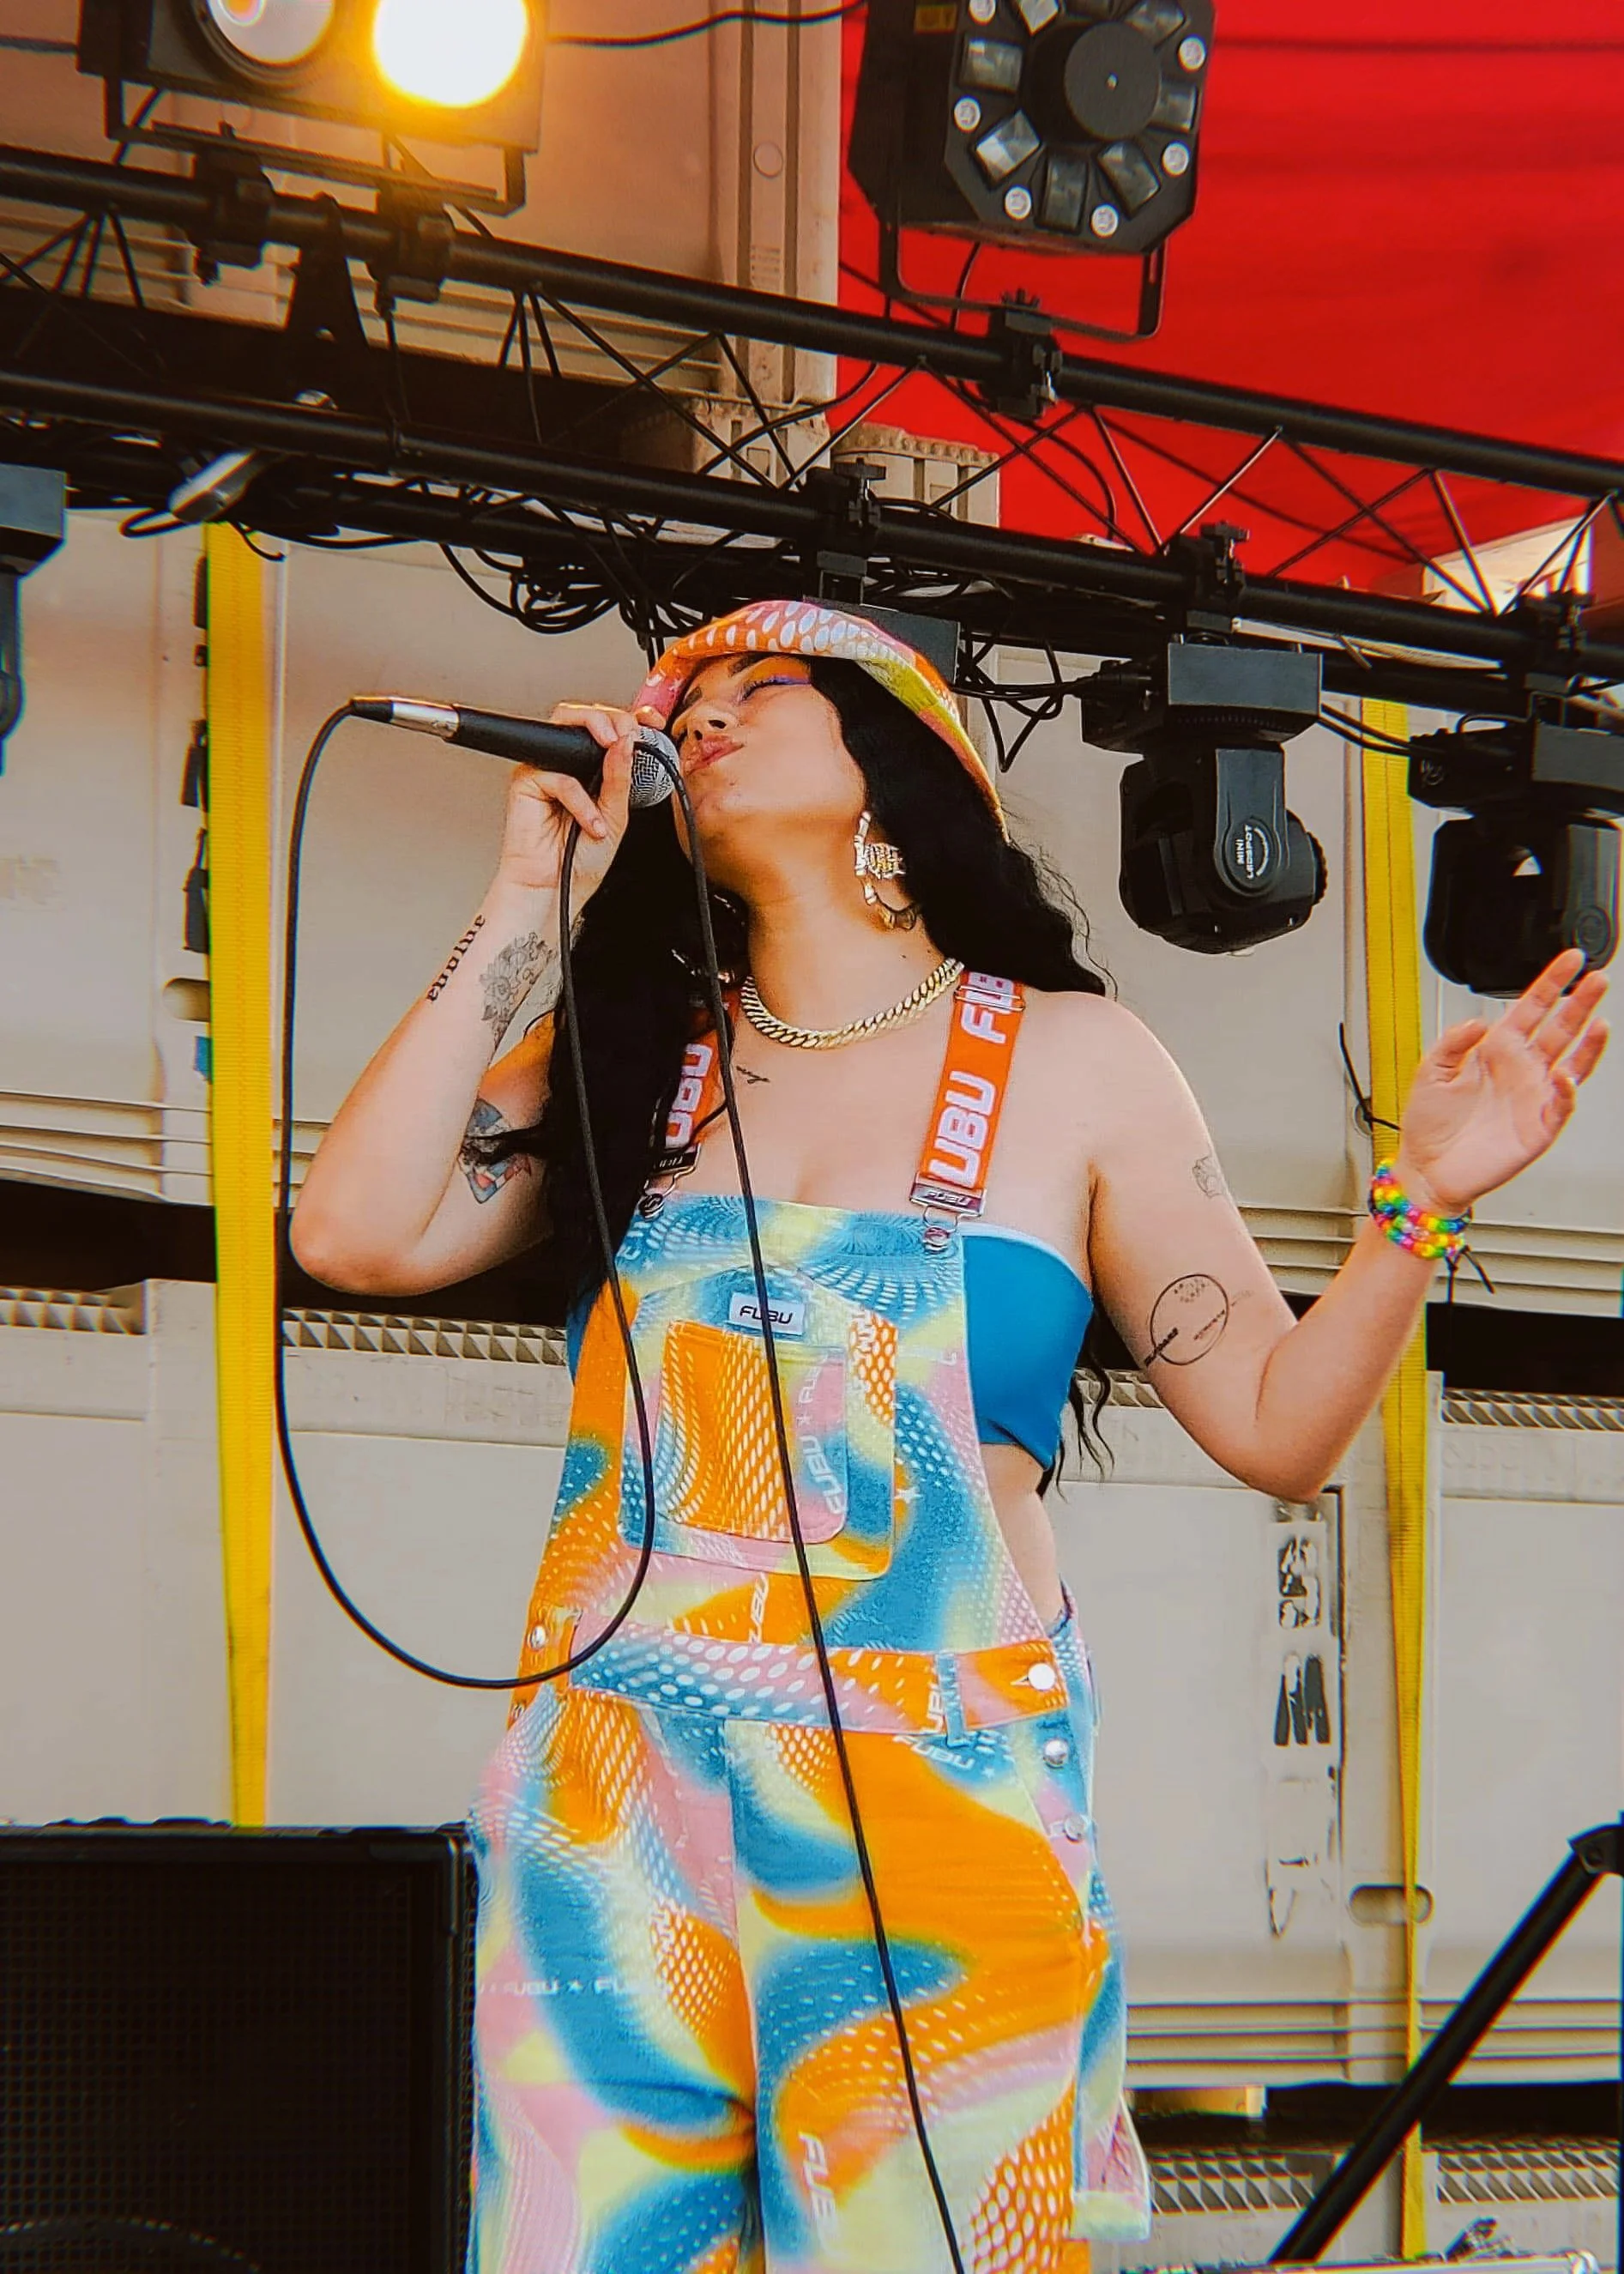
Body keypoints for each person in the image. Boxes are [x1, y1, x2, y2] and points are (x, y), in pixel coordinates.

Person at [292, 600, 1609, 2274]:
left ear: (898, 766)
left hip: (932, 1787)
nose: (700, 718)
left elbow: (1277, 1427)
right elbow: (351, 1229)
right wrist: (516, 909)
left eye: (759, 689)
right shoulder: (638, 1076)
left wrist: (1416, 1210)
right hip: (614, 1788)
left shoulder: (1079, 1060)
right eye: (680, 699)